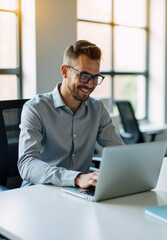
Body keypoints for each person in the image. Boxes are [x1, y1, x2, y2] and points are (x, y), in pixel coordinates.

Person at [18, 40, 124, 189]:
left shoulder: (97, 108)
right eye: (84, 76)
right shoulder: (35, 108)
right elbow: (27, 164)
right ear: (64, 71)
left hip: (80, 192)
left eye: (95, 78)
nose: (90, 84)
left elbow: (118, 151)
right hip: (39, 192)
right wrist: (76, 178)